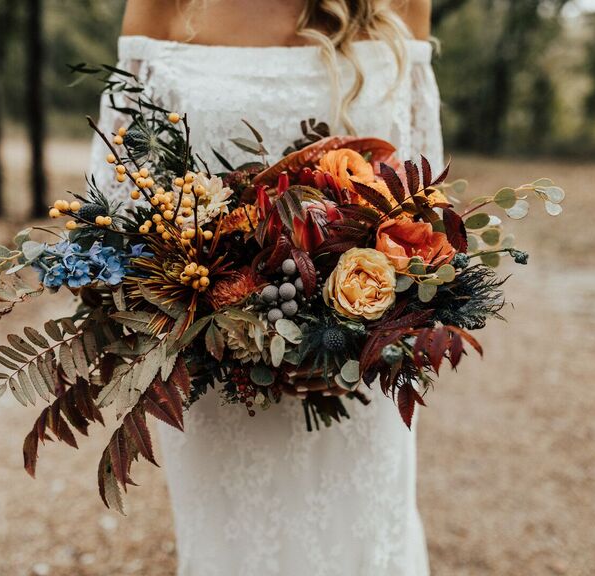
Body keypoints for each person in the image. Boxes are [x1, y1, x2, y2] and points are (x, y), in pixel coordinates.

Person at [90, 1, 441, 574]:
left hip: (360, 374)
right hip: (218, 375)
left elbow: (425, 209)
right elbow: (118, 212)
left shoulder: (399, 5)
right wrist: (223, 336)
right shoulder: (169, 4)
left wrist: (367, 323)